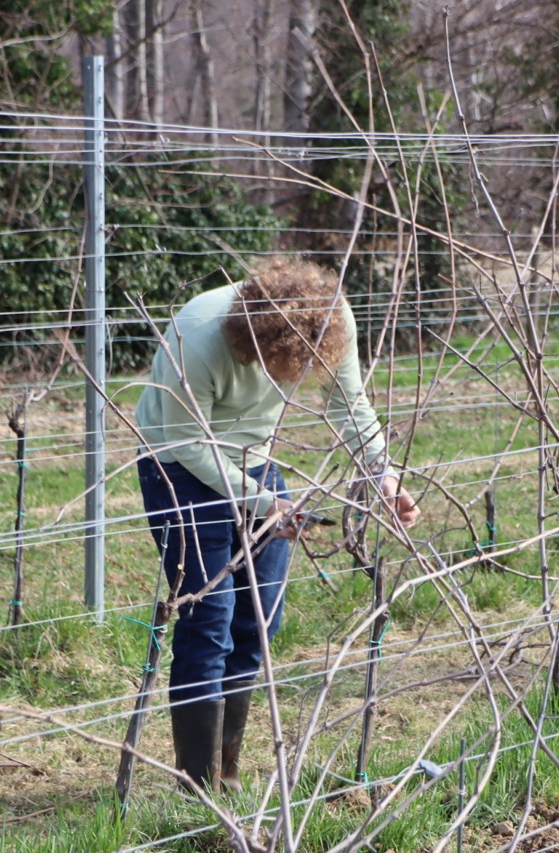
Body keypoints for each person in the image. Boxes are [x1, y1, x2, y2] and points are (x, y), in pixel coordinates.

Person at [135, 257, 420, 791]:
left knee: (259, 620)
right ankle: (197, 786)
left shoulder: (332, 318)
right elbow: (186, 444)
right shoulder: (198, 336)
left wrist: (382, 475)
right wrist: (263, 501)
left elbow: (348, 401)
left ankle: (228, 771)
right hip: (178, 467)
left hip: (255, 464)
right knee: (207, 619)